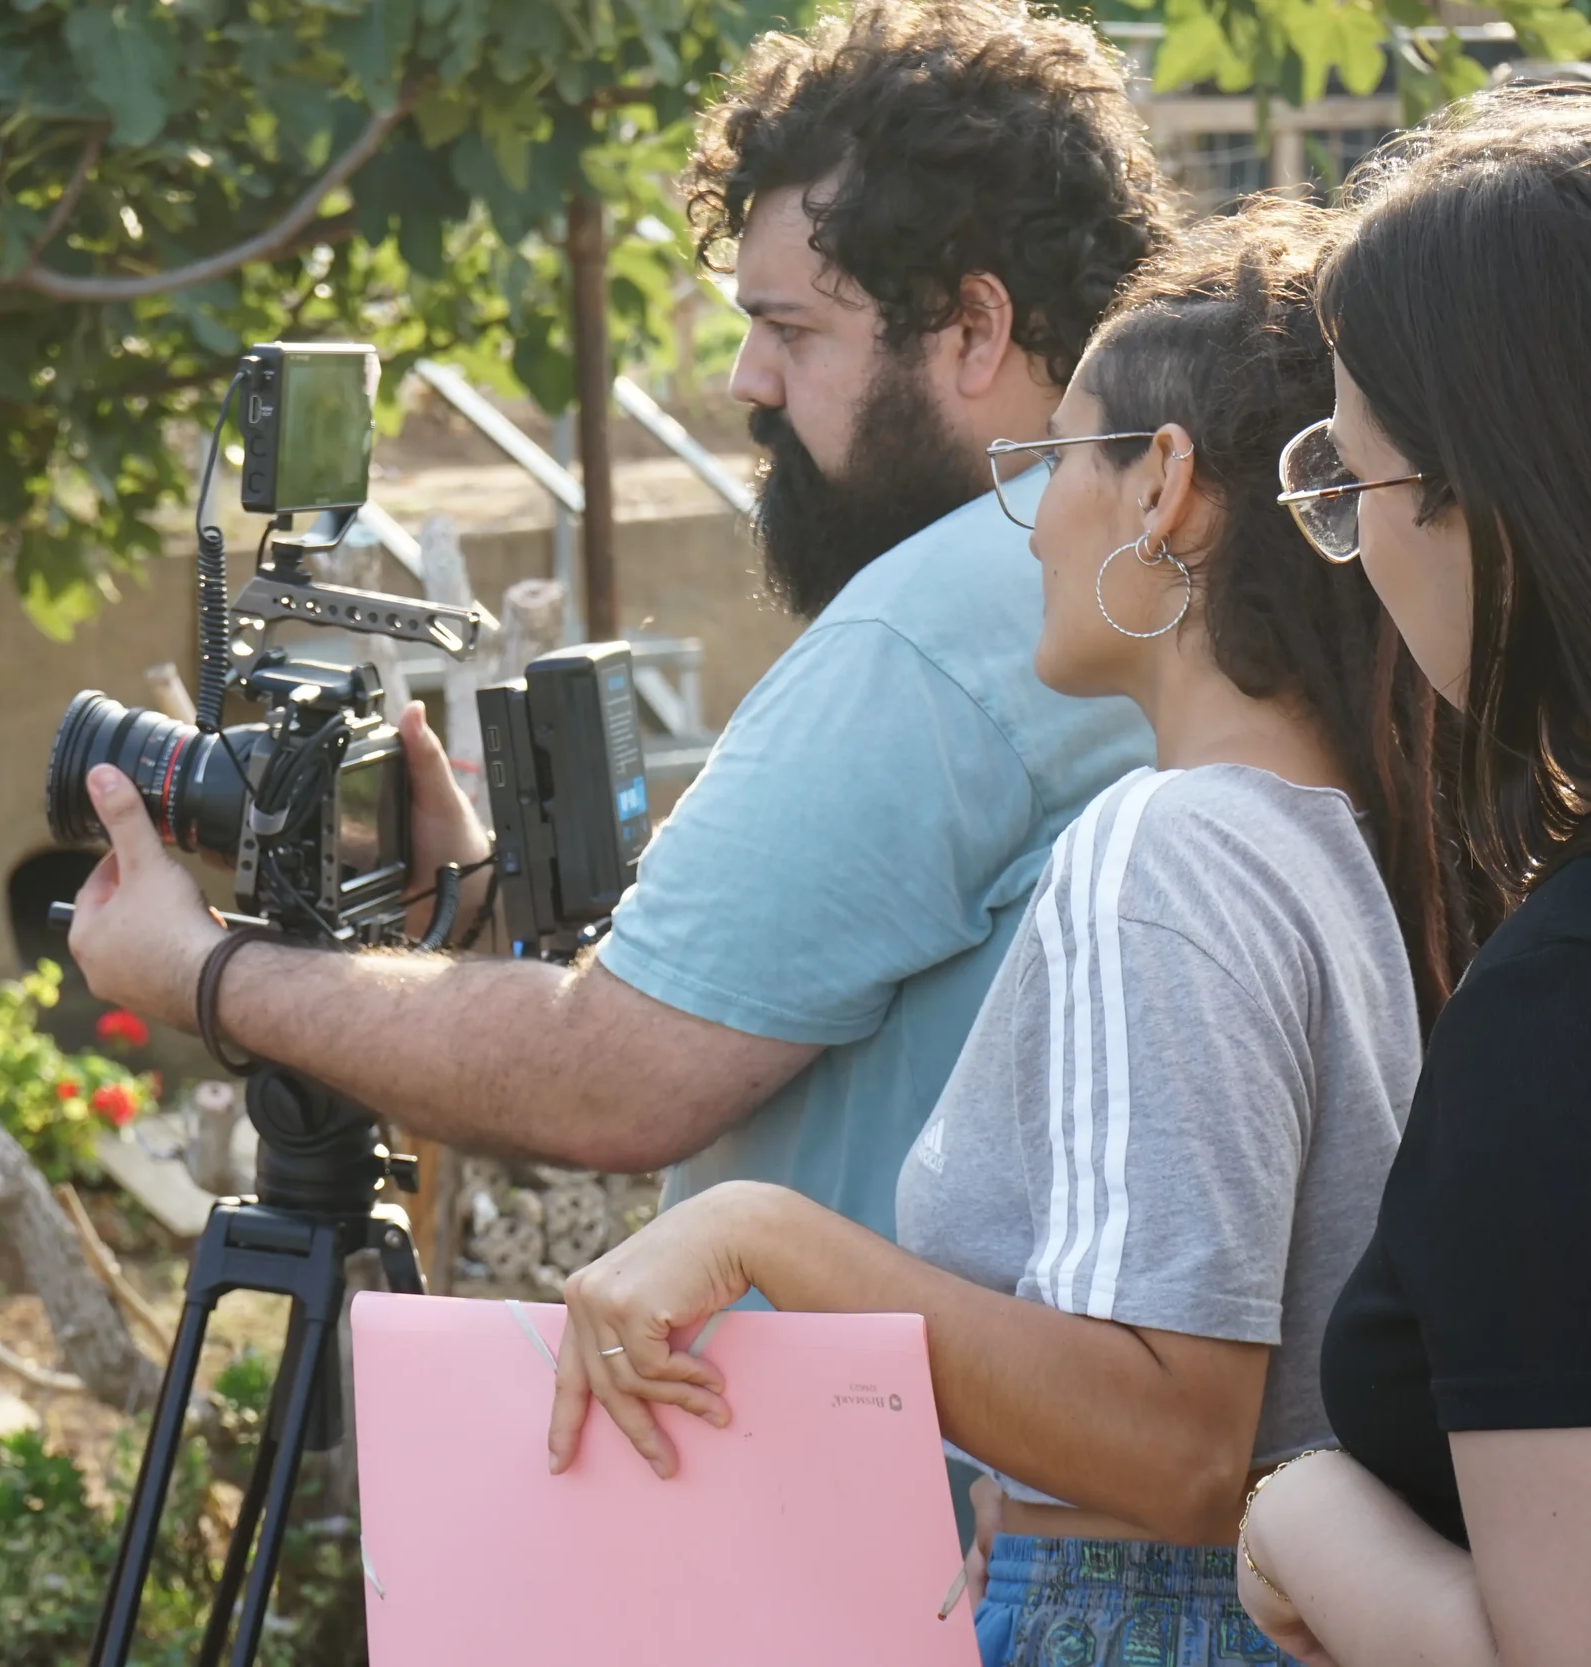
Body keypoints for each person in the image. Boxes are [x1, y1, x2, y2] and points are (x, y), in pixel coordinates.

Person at [69, 0, 1168, 1249]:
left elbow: (614, 1074)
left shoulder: (936, 627)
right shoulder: (1132, 546)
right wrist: (475, 900)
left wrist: (205, 972)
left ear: (975, 327)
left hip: (885, 1438)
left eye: (791, 329)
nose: (749, 380)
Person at [545, 199, 1462, 1667]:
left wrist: (753, 1228)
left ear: (1164, 485)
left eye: (1048, 465)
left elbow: (1168, 1440)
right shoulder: (1347, 842)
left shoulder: (1157, 849)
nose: (1025, 523)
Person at [1236, 88, 1591, 1667]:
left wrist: (1302, 1510)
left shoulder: (1558, 1011)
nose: (1361, 554)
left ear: (1493, 501)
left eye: (1355, 485)